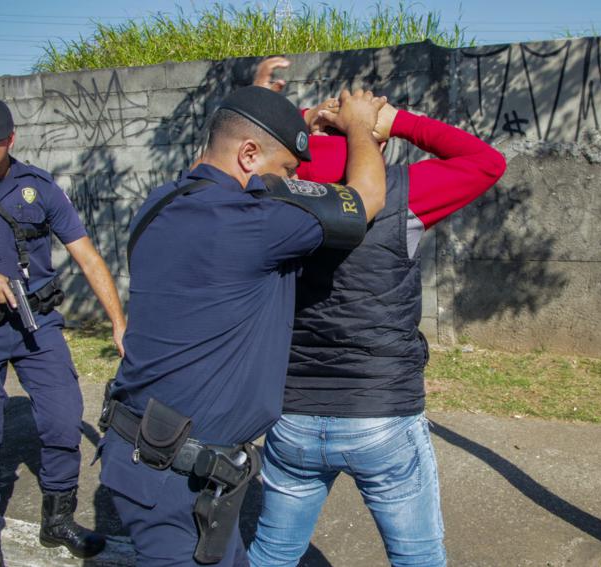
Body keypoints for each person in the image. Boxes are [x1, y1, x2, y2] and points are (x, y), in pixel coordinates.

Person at [98, 85, 387, 566]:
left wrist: (296, 117)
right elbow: (368, 197)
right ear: (249, 154)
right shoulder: (254, 222)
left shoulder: (159, 202)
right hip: (173, 478)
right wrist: (358, 123)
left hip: (161, 459)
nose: (291, 183)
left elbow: (220, 144)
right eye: (288, 172)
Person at [248, 63, 507, 567]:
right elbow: (487, 161)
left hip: (292, 410)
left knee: (273, 554)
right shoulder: (404, 190)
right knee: (418, 557)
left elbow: (224, 155)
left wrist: (301, 116)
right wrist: (395, 119)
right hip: (381, 412)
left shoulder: (270, 190)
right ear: (375, 142)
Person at [0, 94, 126, 565]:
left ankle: (57, 522)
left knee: (63, 420)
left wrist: (120, 324)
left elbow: (86, 254)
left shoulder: (38, 187)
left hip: (36, 323)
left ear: (11, 140)